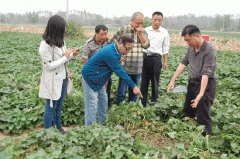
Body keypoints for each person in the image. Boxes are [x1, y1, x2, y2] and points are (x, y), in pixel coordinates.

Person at [81, 35, 143, 127]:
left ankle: (102, 123)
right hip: (90, 77)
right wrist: (134, 86)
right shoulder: (110, 52)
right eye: (127, 49)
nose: (128, 52)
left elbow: (115, 59)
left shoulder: (116, 49)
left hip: (99, 78)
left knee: (104, 99)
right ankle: (90, 129)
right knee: (92, 103)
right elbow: (120, 72)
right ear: (121, 43)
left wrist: (120, 57)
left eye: (130, 49)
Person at [167, 25, 217, 136]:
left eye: (188, 40)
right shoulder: (190, 48)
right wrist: (172, 80)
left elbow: (206, 73)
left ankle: (205, 137)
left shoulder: (210, 49)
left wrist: (200, 94)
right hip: (192, 82)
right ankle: (186, 131)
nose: (187, 43)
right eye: (186, 41)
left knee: (202, 112)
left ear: (197, 36)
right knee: (188, 110)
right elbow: (184, 63)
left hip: (206, 84)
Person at [39, 15, 80, 135]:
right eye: (63, 29)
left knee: (59, 105)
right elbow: (48, 66)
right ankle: (48, 132)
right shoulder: (44, 46)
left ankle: (58, 127)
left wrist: (72, 55)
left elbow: (63, 59)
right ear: (56, 29)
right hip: (51, 80)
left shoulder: (61, 42)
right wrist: (66, 57)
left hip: (62, 78)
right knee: (50, 106)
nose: (64, 31)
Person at [110, 12, 150, 106]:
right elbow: (112, 43)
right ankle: (120, 109)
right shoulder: (123, 30)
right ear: (132, 21)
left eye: (142, 23)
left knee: (134, 92)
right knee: (122, 92)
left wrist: (140, 34)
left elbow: (146, 46)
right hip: (125, 67)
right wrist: (119, 55)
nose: (140, 25)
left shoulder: (143, 32)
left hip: (137, 67)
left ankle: (131, 110)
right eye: (138, 23)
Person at [141, 11, 169, 107]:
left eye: (159, 20)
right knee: (144, 81)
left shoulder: (164, 32)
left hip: (157, 59)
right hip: (145, 57)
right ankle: (143, 102)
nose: (157, 22)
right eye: (155, 20)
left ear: (162, 21)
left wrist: (165, 62)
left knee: (155, 81)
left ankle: (154, 103)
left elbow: (165, 48)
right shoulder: (146, 30)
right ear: (152, 20)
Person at [81, 25, 112, 109]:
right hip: (94, 74)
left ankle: (104, 109)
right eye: (102, 34)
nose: (104, 37)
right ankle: (93, 110)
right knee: (93, 94)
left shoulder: (107, 42)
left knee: (105, 93)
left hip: (105, 73)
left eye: (105, 34)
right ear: (96, 33)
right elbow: (85, 60)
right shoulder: (88, 44)